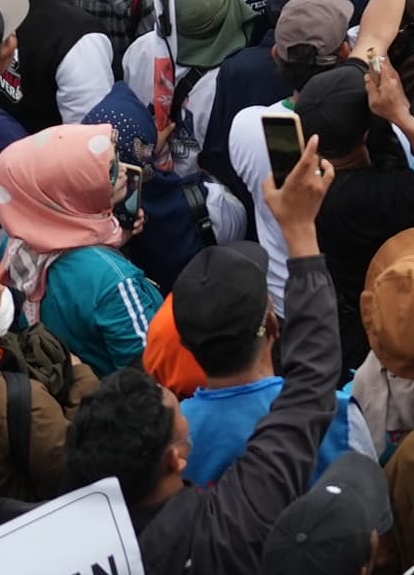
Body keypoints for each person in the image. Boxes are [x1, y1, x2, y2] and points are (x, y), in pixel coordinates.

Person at [65, 142, 346, 575]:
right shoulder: (225, 524)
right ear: (176, 459)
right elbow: (311, 387)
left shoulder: (71, 550)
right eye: (179, 418)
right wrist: (301, 230)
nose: (185, 406)